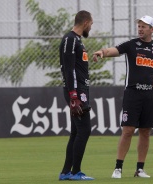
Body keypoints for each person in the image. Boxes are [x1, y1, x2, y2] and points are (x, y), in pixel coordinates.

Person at [93, 15, 153, 179]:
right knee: (128, 130)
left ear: (152, 29)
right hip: (133, 93)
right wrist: (102, 52)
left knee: (145, 131)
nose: (140, 29)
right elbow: (113, 51)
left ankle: (140, 169)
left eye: (144, 26)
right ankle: (118, 168)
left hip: (150, 95)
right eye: (139, 26)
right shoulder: (131, 45)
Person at [58, 10, 94, 181]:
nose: (91, 28)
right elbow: (69, 68)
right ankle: (75, 172)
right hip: (76, 92)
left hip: (81, 90)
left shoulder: (77, 41)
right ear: (86, 22)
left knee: (76, 132)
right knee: (84, 130)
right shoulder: (70, 40)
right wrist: (74, 95)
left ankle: (66, 172)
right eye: (91, 24)